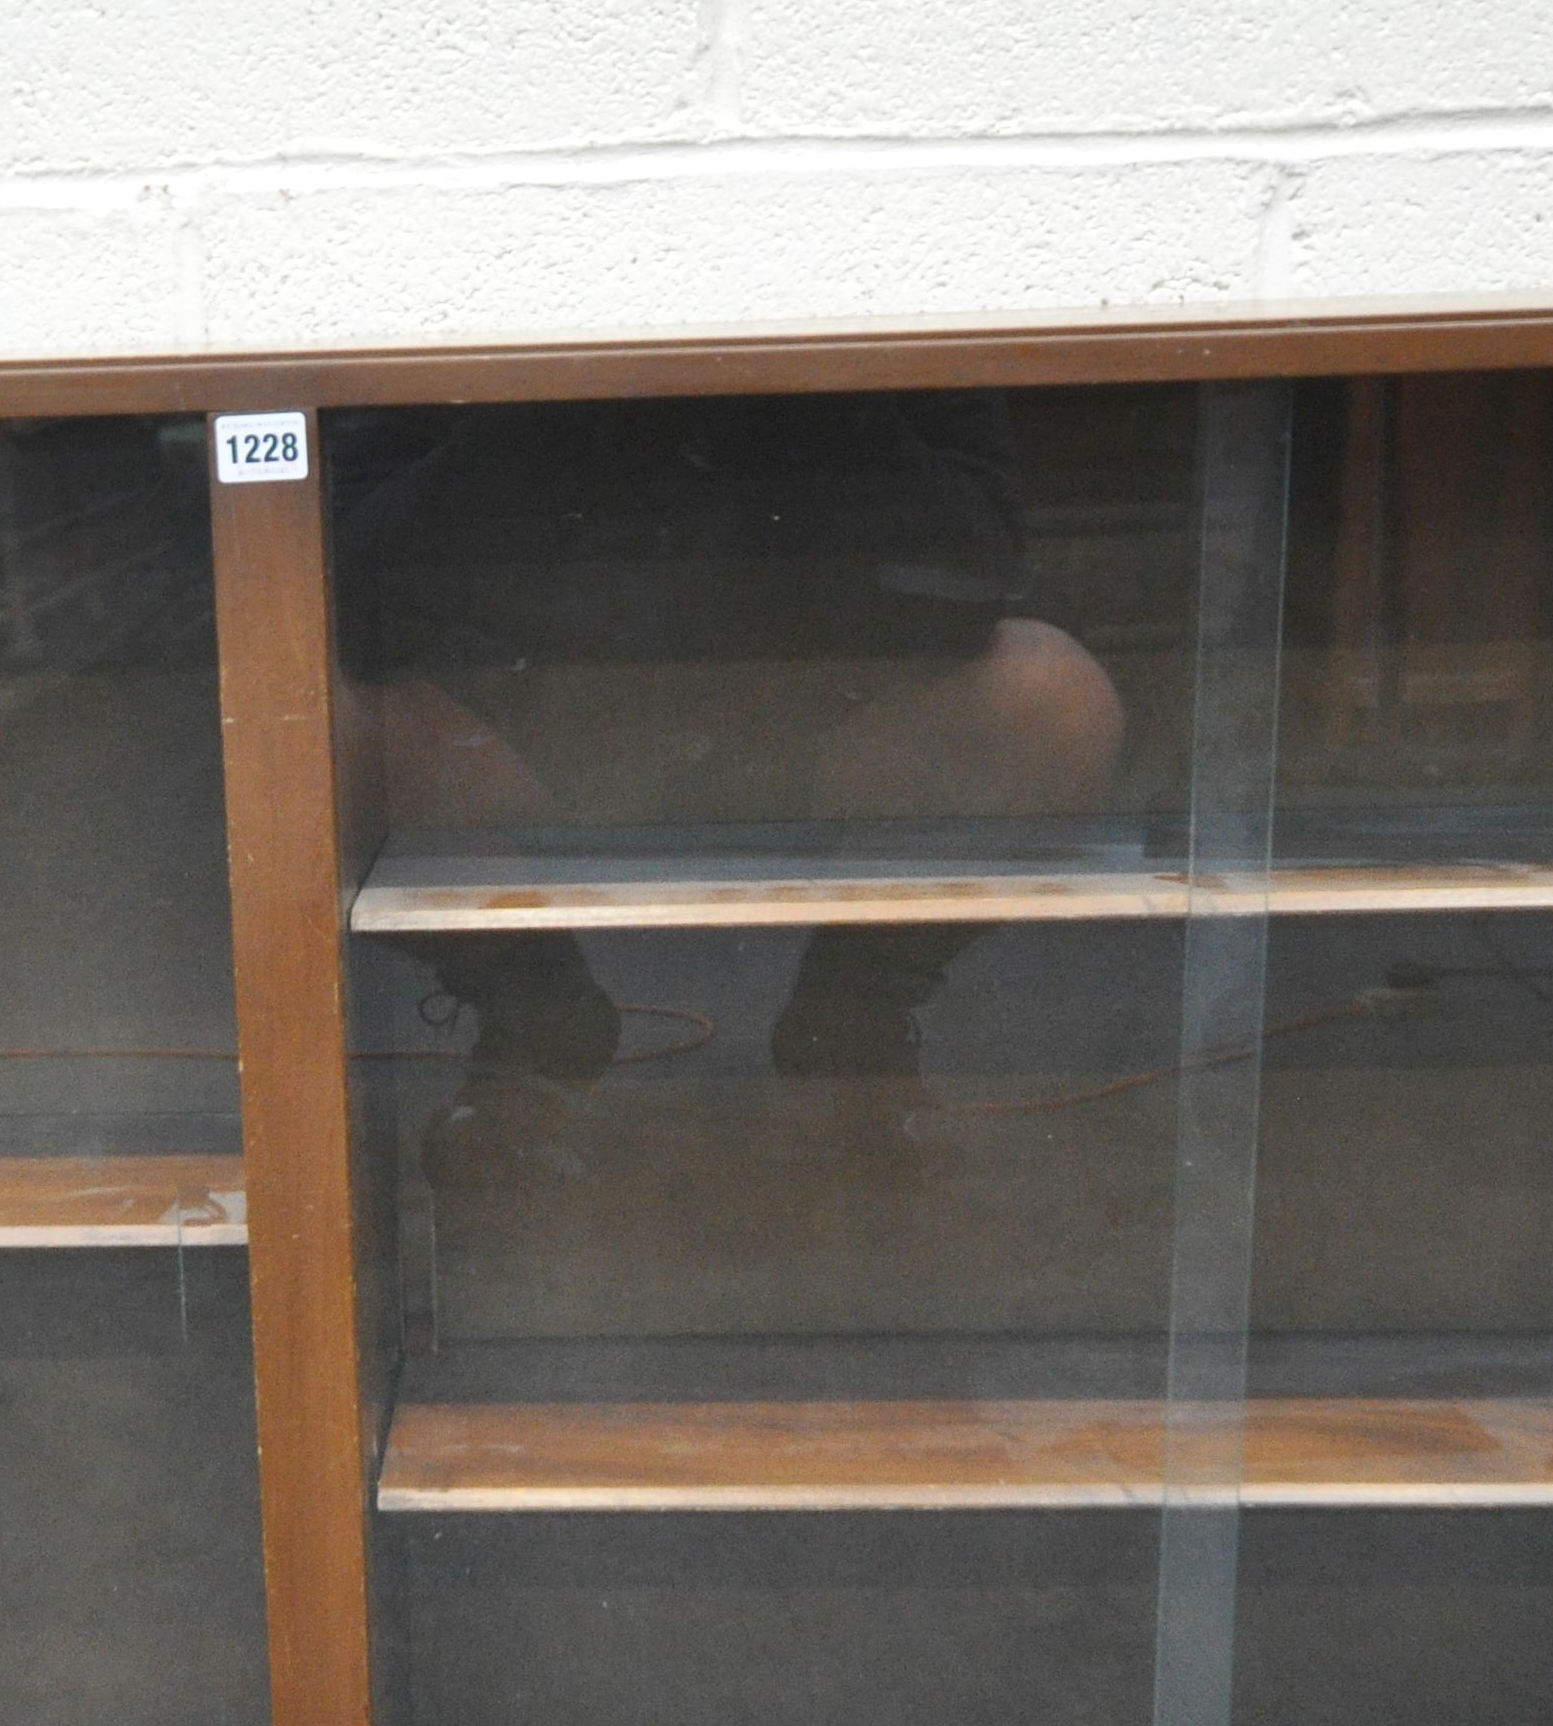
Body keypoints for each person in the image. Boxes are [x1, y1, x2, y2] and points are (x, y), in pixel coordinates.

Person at [335, 395, 1124, 1181]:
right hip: (537, 711)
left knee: (1047, 697)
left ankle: (855, 1020)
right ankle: (534, 1014)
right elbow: (350, 583)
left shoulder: (878, 303)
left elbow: (982, 564)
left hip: (826, 711)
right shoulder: (475, 313)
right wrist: (558, 409)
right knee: (312, 722)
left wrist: (800, 398)